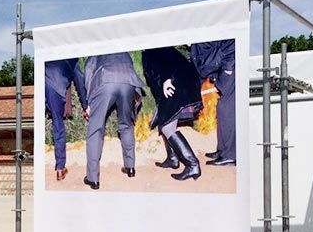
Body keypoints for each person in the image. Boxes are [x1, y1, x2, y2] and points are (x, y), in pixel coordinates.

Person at [83, 52, 145, 189]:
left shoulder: (98, 46)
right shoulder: (123, 48)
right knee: (126, 125)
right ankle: (130, 167)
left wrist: (88, 102)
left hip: (105, 80)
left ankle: (93, 179)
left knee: (96, 129)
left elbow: (88, 70)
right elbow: (129, 65)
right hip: (127, 82)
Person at [141, 47, 204, 180]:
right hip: (178, 82)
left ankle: (192, 165)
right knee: (165, 121)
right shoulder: (148, 50)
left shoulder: (153, 47)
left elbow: (165, 61)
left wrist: (166, 79)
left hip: (175, 83)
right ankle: (173, 159)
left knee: (167, 127)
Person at [190, 39, 236, 166]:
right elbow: (201, 67)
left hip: (229, 70)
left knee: (226, 109)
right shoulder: (194, 44)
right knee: (221, 109)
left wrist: (228, 67)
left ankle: (230, 155)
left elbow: (230, 42)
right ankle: (222, 150)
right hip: (219, 71)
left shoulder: (204, 29)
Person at [45, 59, 88, 181]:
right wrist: (85, 106)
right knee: (58, 125)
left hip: (42, 83)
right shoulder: (72, 57)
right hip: (55, 87)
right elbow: (79, 81)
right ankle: (60, 168)